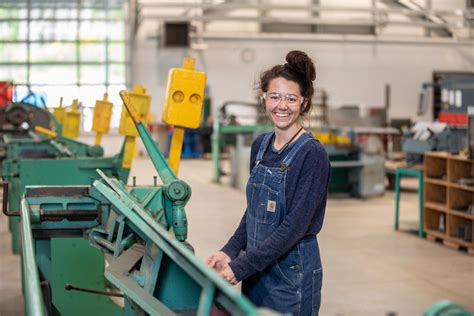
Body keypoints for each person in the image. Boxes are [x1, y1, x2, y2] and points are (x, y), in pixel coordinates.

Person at [206, 50, 330, 315]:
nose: (281, 106)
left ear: (304, 103)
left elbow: (293, 227)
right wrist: (230, 250)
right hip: (257, 268)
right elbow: (255, 211)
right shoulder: (260, 146)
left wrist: (240, 266)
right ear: (263, 98)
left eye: (291, 98)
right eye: (274, 96)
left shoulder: (312, 154)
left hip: (291, 274)